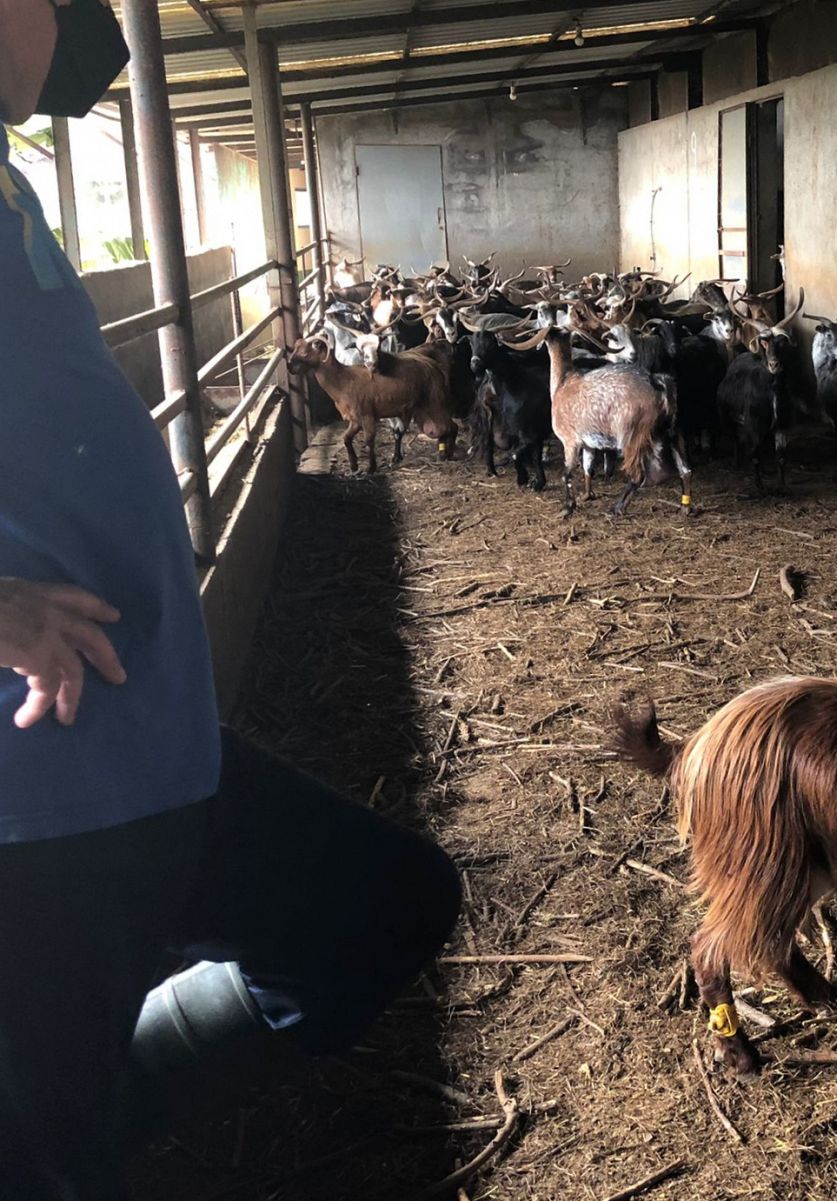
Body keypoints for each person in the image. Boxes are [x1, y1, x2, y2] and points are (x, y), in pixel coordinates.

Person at [0, 3, 459, 1197]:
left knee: (389, 902)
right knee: (50, 1149)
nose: (86, 29)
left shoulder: (9, 182)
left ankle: (117, 1091)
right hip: (32, 800)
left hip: (148, 739)